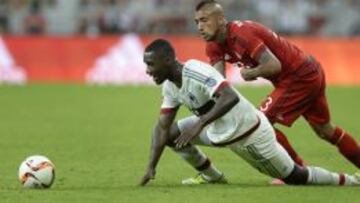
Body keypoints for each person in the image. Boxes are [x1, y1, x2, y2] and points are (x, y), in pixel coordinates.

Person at [139, 39, 360, 186]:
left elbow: (230, 97)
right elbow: (162, 127)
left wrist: (199, 123)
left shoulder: (195, 71)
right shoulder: (169, 86)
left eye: (151, 65)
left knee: (295, 176)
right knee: (169, 135)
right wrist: (151, 167)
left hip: (247, 131)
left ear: (167, 61)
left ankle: (348, 181)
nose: (147, 71)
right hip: (218, 129)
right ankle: (212, 177)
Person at [193, 0, 360, 173]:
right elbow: (219, 82)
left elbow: (274, 65)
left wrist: (251, 73)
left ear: (220, 19)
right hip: (309, 70)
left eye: (205, 20)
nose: (199, 26)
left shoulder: (242, 34)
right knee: (325, 129)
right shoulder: (213, 46)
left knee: (261, 122)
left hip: (298, 76)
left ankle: (297, 171)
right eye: (197, 22)